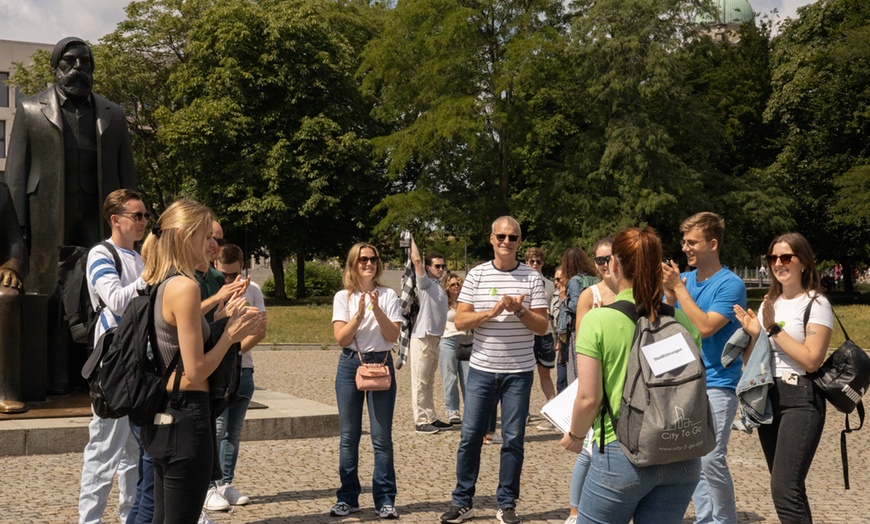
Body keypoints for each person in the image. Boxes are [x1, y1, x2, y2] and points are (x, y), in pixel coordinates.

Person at [5, 37, 136, 394]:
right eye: (70, 62)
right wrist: (17, 234)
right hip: (47, 218)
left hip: (99, 216)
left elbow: (128, 176)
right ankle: (50, 376)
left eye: (85, 63)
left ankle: (94, 373)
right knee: (50, 295)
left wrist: (133, 221)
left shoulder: (114, 115)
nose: (78, 69)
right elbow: (16, 175)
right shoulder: (31, 110)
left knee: (97, 292)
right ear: (56, 67)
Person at [561, 226, 702, 523]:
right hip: (681, 453)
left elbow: (588, 397)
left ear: (614, 264)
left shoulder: (598, 320)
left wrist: (575, 435)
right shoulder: (680, 319)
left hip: (622, 452)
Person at [139, 199, 262, 523]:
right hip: (188, 415)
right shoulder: (185, 286)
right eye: (206, 236)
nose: (213, 245)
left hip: (163, 413)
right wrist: (230, 335)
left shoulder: (161, 282)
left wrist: (219, 318)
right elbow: (196, 369)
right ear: (184, 235)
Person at [440, 216, 548, 524]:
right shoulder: (477, 275)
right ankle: (463, 501)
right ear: (491, 239)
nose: (506, 242)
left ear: (519, 242)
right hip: (482, 370)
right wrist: (492, 312)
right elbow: (460, 321)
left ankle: (507, 503)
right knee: (470, 436)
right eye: (501, 237)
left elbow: (542, 327)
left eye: (512, 238)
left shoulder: (531, 277)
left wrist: (520, 310)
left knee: (513, 439)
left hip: (519, 372)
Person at [733, 232, 832, 524]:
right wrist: (753, 334)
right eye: (773, 258)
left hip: (801, 398)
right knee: (789, 488)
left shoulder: (816, 303)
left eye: (786, 257)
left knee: (784, 489)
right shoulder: (768, 304)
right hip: (768, 396)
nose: (778, 263)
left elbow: (812, 360)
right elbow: (753, 363)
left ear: (803, 262)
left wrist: (773, 328)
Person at [662, 212, 746, 524]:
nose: (685, 247)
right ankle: (705, 517)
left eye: (692, 242)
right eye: (683, 241)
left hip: (718, 382)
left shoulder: (731, 284)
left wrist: (679, 290)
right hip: (684, 381)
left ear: (712, 244)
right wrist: (671, 293)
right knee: (690, 457)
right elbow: (668, 323)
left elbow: (707, 326)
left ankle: (724, 520)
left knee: (711, 458)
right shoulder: (683, 281)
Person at [77, 189, 148, 524]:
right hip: (114, 363)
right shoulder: (100, 254)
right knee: (104, 448)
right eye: (137, 216)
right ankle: (89, 521)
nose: (144, 222)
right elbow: (117, 301)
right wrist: (151, 277)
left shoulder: (143, 257)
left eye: (146, 215)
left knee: (135, 452)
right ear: (115, 219)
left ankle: (130, 517)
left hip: (142, 360)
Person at [330, 243, 403, 519]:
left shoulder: (389, 294)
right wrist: (359, 314)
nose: (369, 264)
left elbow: (392, 335)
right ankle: (348, 497)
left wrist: (376, 308)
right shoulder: (342, 297)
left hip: (381, 363)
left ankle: (384, 498)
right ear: (353, 264)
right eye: (363, 260)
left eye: (373, 259)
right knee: (349, 437)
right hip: (350, 365)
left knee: (381, 438)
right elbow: (341, 339)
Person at [563, 237, 615, 524]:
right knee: (588, 447)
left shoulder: (631, 294)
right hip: (596, 374)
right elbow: (583, 340)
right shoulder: (589, 294)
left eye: (609, 258)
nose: (605, 265)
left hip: (622, 377)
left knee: (602, 446)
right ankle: (575, 510)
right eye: (599, 260)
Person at [212, 244, 267, 506]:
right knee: (217, 428)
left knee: (233, 431)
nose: (230, 281)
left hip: (243, 367)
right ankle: (209, 485)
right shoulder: (212, 291)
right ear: (215, 267)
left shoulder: (253, 291)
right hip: (216, 370)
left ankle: (226, 483)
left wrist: (234, 353)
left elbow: (259, 330)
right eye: (225, 275)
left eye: (234, 275)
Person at [409, 236, 451, 434]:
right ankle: (420, 420)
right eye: (437, 266)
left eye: (443, 266)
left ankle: (431, 417)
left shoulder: (439, 286)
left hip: (435, 338)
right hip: (423, 336)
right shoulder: (424, 283)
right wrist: (411, 239)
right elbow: (416, 260)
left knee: (429, 381)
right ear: (428, 268)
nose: (441, 269)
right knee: (420, 380)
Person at [524, 247, 558, 430]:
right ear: (526, 263)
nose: (535, 265)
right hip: (526, 334)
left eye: (538, 261)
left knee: (545, 375)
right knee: (524, 376)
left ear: (542, 263)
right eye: (531, 261)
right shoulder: (522, 281)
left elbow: (552, 313)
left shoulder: (549, 285)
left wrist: (557, 337)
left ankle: (552, 414)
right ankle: (523, 412)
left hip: (545, 335)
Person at [556, 248, 598, 392]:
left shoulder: (575, 280)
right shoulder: (596, 278)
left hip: (577, 329)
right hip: (595, 325)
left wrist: (563, 300)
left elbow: (576, 305)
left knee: (574, 371)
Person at [439, 273, 472, 425]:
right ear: (447, 287)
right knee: (450, 378)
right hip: (448, 340)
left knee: (467, 378)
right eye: (452, 284)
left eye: (458, 284)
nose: (456, 287)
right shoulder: (442, 303)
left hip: (464, 340)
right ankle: (452, 411)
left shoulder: (466, 302)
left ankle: (471, 410)